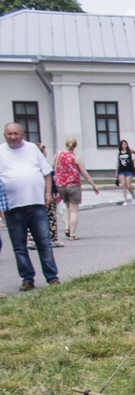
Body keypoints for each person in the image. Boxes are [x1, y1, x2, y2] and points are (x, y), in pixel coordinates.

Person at [0, 122, 60, 290]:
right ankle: (27, 279)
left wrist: (48, 193)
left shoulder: (32, 148)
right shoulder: (0, 151)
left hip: (36, 204)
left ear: (22, 134)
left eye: (16, 134)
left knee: (44, 243)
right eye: (9, 134)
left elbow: (47, 173)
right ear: (4, 134)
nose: (13, 137)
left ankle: (52, 277)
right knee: (19, 247)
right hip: (12, 208)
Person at [53, 137, 99, 241]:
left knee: (66, 207)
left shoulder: (58, 155)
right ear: (75, 146)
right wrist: (93, 185)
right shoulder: (76, 158)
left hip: (60, 186)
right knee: (74, 211)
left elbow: (51, 168)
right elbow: (85, 174)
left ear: (66, 144)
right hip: (73, 186)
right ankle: (72, 234)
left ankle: (66, 227)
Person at [116, 139, 135, 206]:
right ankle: (125, 201)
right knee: (123, 185)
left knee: (128, 185)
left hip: (129, 170)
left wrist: (133, 160)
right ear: (121, 145)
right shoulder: (119, 153)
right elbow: (118, 163)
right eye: (123, 144)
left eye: (125, 144)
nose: (124, 145)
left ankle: (133, 196)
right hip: (121, 170)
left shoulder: (130, 151)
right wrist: (116, 172)